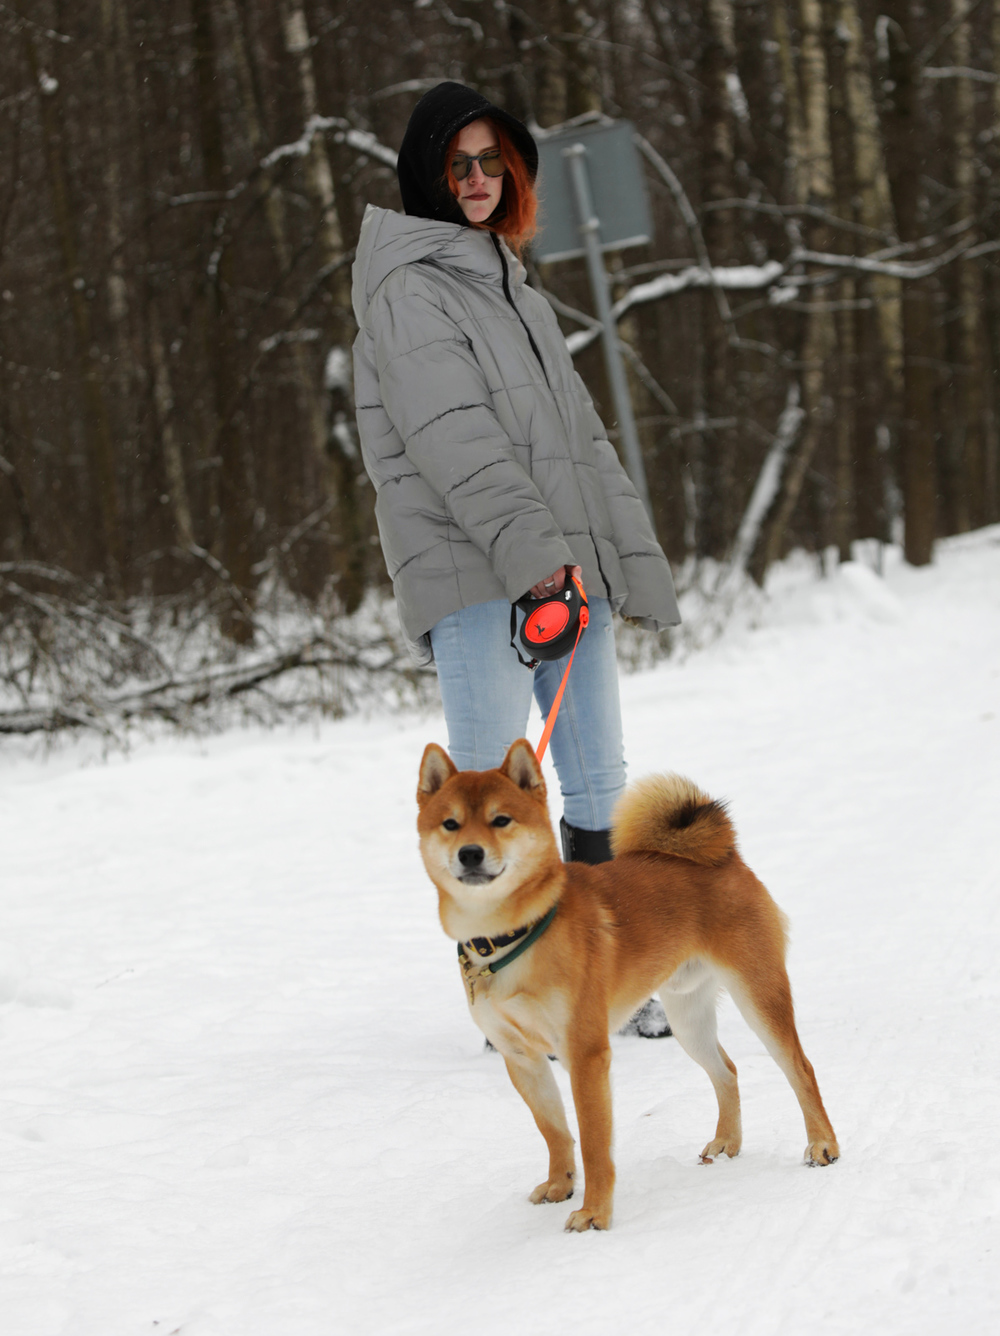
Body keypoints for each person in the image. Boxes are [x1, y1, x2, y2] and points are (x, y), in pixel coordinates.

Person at [352, 84, 680, 1036]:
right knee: (483, 800)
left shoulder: (506, 280)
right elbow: (459, 445)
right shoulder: (408, 287)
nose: (480, 179)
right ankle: (505, 990)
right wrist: (543, 563)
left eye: (494, 160)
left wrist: (620, 563)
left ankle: (604, 976)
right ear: (427, 174)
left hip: (560, 575)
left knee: (599, 783)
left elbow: (580, 442)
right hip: (476, 579)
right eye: (459, 164)